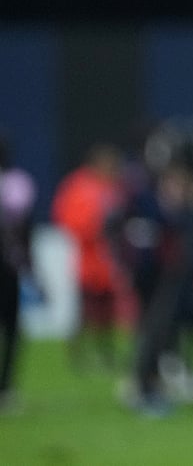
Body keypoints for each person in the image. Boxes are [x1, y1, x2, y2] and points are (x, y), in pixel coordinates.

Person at [50, 142, 126, 371]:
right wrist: (93, 228)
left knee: (108, 313)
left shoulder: (114, 186)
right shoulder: (78, 185)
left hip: (109, 260)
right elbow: (65, 217)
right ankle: (76, 354)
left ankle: (106, 353)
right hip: (88, 259)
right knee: (86, 310)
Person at [0, 134, 36, 411]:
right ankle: (6, 387)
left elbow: (24, 231)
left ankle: (6, 386)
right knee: (12, 328)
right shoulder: (18, 184)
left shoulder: (17, 183)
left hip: (8, 267)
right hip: (10, 266)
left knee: (12, 328)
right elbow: (25, 231)